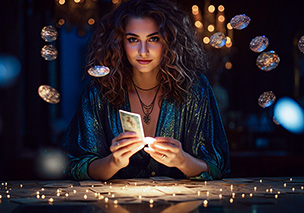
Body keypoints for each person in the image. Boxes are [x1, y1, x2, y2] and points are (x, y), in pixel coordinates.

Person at [61, 0, 230, 181]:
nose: (143, 51)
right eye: (133, 40)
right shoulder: (98, 93)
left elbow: (218, 166)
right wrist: (113, 163)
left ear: (170, 41)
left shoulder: (194, 89)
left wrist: (182, 161)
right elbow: (75, 164)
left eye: (153, 39)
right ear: (119, 43)